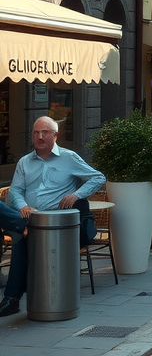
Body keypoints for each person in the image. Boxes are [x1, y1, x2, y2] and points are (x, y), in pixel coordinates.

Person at [0, 116, 105, 318]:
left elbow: (98, 177)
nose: (40, 136)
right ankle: (24, 224)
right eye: (36, 132)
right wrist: (24, 207)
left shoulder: (69, 158)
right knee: (24, 230)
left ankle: (12, 300)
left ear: (55, 135)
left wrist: (77, 195)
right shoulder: (24, 162)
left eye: (45, 132)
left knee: (22, 238)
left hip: (55, 223)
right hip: (29, 217)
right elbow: (15, 191)